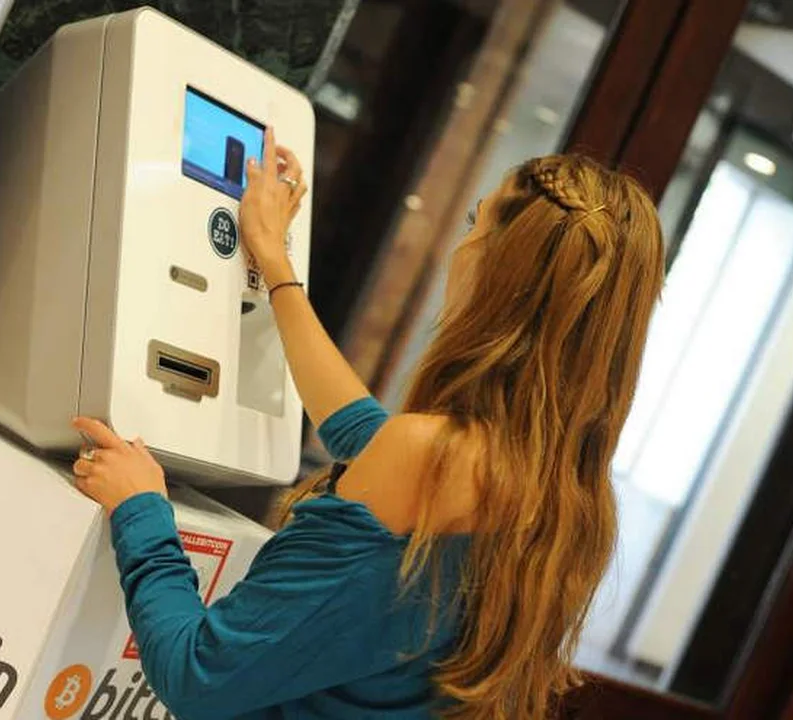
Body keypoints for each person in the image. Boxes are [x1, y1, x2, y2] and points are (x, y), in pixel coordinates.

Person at [70, 128, 666, 719]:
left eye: (474, 222)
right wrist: (274, 264)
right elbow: (362, 431)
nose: (460, 249)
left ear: (501, 269)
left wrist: (142, 508)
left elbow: (197, 675)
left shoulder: (431, 458)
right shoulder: (569, 503)